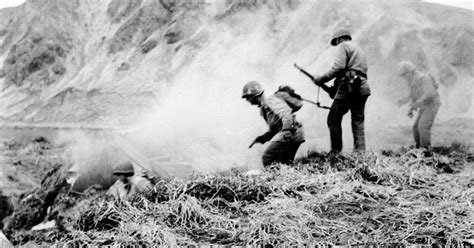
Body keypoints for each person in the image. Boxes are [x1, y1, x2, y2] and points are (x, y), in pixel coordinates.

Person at [312, 27, 370, 155]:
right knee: (358, 122)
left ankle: (335, 152)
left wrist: (321, 79)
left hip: (348, 86)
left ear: (339, 39)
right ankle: (360, 155)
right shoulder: (359, 49)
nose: (337, 45)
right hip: (362, 87)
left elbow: (338, 67)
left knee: (333, 118)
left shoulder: (343, 46)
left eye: (336, 42)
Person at [242, 81, 305, 167]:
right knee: (285, 163)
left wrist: (287, 131)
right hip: (294, 133)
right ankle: (285, 177)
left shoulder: (269, 100)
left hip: (292, 133)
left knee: (268, 158)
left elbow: (286, 113)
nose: (247, 100)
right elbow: (275, 129)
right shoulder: (263, 109)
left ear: (254, 95)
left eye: (247, 97)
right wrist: (263, 138)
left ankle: (275, 177)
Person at [398, 61, 441, 148]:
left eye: (404, 75)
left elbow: (430, 93)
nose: (404, 78)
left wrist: (417, 103)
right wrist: (410, 107)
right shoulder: (412, 80)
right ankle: (418, 149)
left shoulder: (423, 78)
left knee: (423, 126)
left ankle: (425, 150)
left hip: (432, 104)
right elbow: (414, 95)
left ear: (410, 72)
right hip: (424, 105)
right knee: (415, 128)